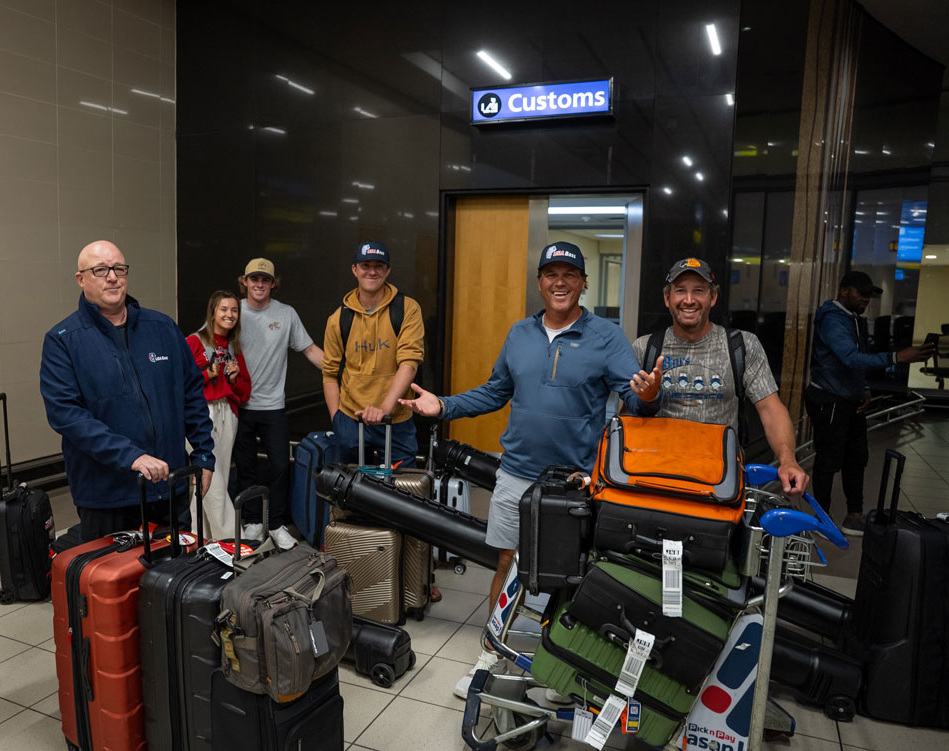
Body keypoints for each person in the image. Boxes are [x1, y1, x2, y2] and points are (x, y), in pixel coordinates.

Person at [400, 241, 662, 699]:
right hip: (516, 473)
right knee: (506, 562)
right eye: (551, 274)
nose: (560, 282)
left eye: (569, 275)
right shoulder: (519, 334)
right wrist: (443, 405)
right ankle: (492, 652)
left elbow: (636, 402)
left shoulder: (606, 337)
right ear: (540, 282)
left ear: (583, 283)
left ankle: (565, 662)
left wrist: (651, 395)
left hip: (575, 482)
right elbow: (495, 391)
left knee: (572, 573)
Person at [40, 240, 214, 543]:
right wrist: (132, 457)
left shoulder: (162, 328)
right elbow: (66, 415)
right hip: (108, 498)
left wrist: (203, 455)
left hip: (170, 490)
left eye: (119, 269)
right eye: (100, 270)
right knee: (113, 574)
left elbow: (192, 394)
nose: (112, 277)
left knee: (174, 571)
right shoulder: (63, 340)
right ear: (81, 279)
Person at [633, 257, 808, 495]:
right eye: (680, 291)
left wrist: (788, 460)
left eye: (699, 291)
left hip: (720, 479)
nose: (689, 300)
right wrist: (648, 400)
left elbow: (771, 408)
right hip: (658, 477)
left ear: (713, 297)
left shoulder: (743, 345)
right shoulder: (646, 348)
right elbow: (628, 416)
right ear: (667, 298)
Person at [806, 270, 933, 534]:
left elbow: (858, 358)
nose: (866, 299)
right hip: (829, 399)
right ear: (844, 291)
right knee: (829, 461)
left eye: (869, 295)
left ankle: (854, 517)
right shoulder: (832, 319)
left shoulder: (853, 318)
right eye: (861, 293)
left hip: (850, 399)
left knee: (857, 458)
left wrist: (862, 387)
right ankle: (822, 520)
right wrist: (897, 357)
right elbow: (850, 358)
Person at [232, 258, 323, 549]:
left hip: (273, 406)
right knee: (245, 467)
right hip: (239, 405)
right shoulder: (232, 310)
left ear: (273, 284)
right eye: (254, 279)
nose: (259, 284)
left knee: (281, 466)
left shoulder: (286, 314)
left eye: (265, 280)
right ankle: (252, 522)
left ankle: (276, 524)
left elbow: (310, 349)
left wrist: (345, 374)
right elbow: (207, 341)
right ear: (245, 281)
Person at [322, 241, 424, 467]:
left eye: (379, 266)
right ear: (354, 269)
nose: (372, 271)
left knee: (402, 485)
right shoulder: (338, 318)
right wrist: (337, 418)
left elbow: (409, 363)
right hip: (351, 419)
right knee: (350, 486)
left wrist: (384, 409)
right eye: (365, 265)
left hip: (395, 420)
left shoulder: (407, 309)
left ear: (387, 270)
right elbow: (329, 373)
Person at [186, 291, 251, 540]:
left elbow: (245, 391)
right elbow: (178, 382)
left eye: (234, 310)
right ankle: (232, 540)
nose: (229, 315)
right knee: (210, 478)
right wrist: (207, 375)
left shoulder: (233, 347)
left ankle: (197, 537)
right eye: (224, 309)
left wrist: (232, 380)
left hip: (227, 413)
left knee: (214, 478)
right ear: (213, 312)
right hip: (200, 413)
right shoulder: (194, 341)